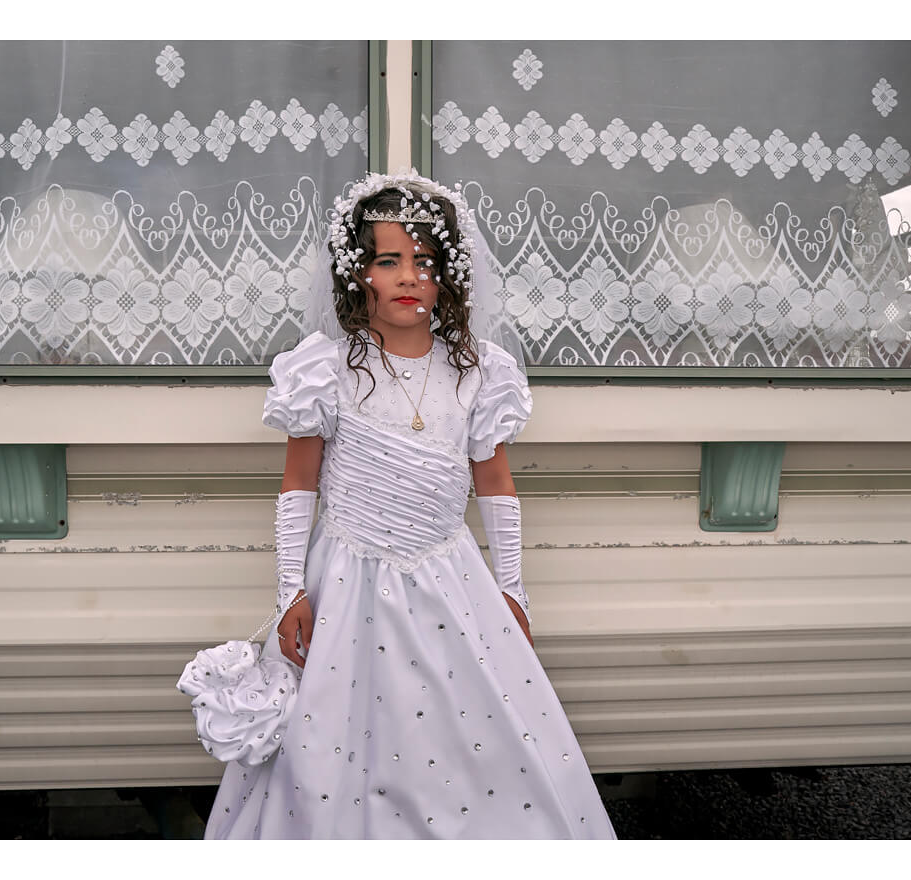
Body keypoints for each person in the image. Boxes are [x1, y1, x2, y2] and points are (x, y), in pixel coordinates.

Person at [202, 170, 616, 839]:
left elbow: (497, 487)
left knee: (474, 737)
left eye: (424, 262)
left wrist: (511, 589)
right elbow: (298, 486)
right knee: (335, 738)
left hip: (450, 580)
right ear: (359, 272)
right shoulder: (327, 370)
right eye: (388, 260)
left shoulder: (478, 372)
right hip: (345, 582)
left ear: (446, 275)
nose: (407, 276)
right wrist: (288, 594)